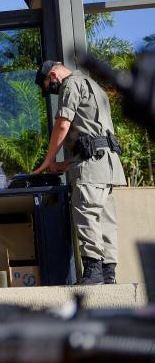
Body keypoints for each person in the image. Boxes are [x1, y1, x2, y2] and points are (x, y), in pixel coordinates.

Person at [32, 61, 126, 285]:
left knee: (86, 214)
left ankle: (93, 272)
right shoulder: (94, 86)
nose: (52, 90)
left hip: (91, 168)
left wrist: (48, 159)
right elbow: (96, 137)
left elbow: (63, 124)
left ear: (53, 75)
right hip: (108, 164)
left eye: (49, 86)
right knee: (105, 218)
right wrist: (65, 165)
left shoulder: (71, 84)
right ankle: (108, 273)